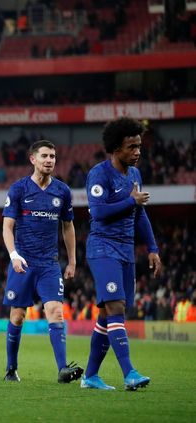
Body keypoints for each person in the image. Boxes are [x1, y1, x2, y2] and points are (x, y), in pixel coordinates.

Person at [81, 116, 162, 391]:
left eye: (139, 146)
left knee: (108, 314)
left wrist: (152, 248)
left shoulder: (135, 175)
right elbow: (98, 212)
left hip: (126, 249)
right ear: (116, 148)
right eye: (131, 147)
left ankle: (90, 376)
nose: (137, 151)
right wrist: (131, 200)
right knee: (115, 306)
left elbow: (140, 214)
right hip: (102, 247)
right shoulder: (99, 174)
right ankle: (130, 373)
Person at [1, 140, 83, 384]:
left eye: (53, 157)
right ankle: (11, 368)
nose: (50, 160)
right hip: (23, 263)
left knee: (56, 312)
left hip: (49, 264)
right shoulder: (18, 190)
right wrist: (14, 255)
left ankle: (62, 370)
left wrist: (72, 261)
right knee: (17, 316)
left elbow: (68, 227)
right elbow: (7, 227)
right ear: (32, 159)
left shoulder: (62, 191)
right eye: (45, 156)